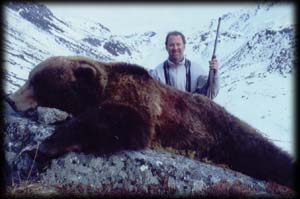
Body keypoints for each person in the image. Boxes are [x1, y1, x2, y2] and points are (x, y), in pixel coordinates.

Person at [149, 31, 220, 99]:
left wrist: (215, 74)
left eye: (178, 44)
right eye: (171, 45)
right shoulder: (157, 73)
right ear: (166, 47)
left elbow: (210, 94)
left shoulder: (196, 70)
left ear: (184, 46)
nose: (175, 48)